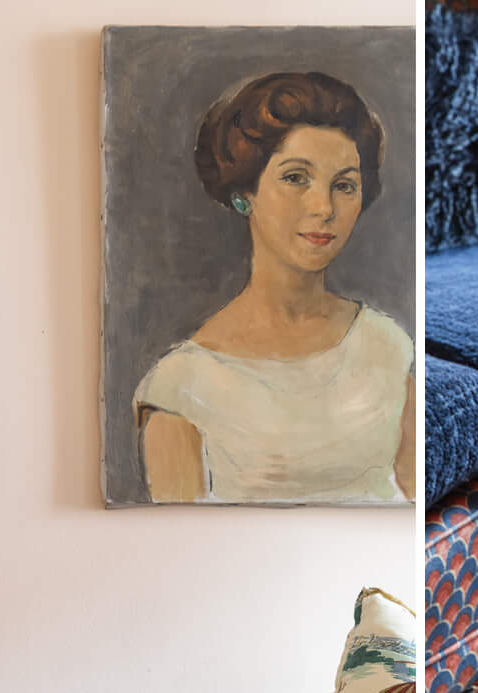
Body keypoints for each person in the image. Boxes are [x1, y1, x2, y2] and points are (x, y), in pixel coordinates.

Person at [135, 71, 415, 503]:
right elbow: (179, 543)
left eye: (343, 186)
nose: (324, 208)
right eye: (295, 178)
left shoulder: (389, 346)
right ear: (245, 192)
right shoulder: (182, 386)